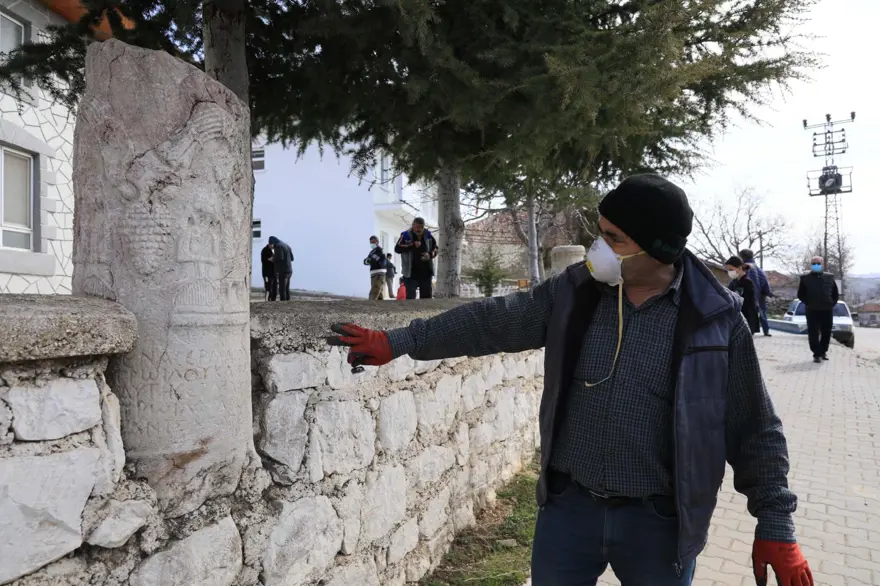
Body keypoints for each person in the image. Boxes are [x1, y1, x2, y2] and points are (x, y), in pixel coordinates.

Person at [328, 174, 813, 586]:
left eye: (615, 239)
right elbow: (493, 320)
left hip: (661, 524)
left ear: (659, 250)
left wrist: (775, 522)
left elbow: (755, 428)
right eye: (600, 233)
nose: (599, 248)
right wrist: (401, 341)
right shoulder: (577, 291)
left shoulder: (716, 321)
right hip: (569, 511)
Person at [797, 256, 839, 363]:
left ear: (822, 265)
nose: (816, 265)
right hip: (812, 309)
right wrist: (809, 303)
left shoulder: (829, 278)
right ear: (811, 265)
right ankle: (816, 352)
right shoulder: (805, 278)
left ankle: (823, 351)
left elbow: (835, 294)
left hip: (827, 309)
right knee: (813, 332)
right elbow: (800, 294)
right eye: (814, 263)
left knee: (826, 332)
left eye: (818, 263)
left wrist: (831, 304)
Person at [395, 217, 438, 299]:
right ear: (413, 226)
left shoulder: (428, 235)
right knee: (410, 299)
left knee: (426, 299)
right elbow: (397, 248)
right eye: (417, 227)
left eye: (421, 227)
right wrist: (412, 245)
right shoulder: (405, 235)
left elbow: (435, 248)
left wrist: (429, 255)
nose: (419, 229)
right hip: (410, 273)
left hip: (426, 272)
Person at [738, 249, 773, 336]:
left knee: (750, 312)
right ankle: (766, 331)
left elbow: (748, 282)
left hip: (751, 294)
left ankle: (750, 331)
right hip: (762, 294)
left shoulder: (746, 268)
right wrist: (768, 292)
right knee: (762, 312)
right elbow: (765, 281)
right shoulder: (759, 269)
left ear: (743, 257)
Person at [726, 256, 760, 334]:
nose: (729, 272)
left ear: (740, 268)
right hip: (737, 318)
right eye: (728, 269)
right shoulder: (733, 283)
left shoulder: (747, 282)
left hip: (746, 319)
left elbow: (748, 303)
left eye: (731, 269)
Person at [268, 236, 293, 301]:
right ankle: (288, 303)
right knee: (287, 288)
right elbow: (292, 258)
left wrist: (272, 259)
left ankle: (283, 304)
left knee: (282, 289)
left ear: (272, 243)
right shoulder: (286, 245)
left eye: (270, 244)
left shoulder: (278, 246)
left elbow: (279, 258)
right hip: (289, 269)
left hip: (283, 271)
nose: (270, 246)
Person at [364, 236, 386, 300]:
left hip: (379, 274)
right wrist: (368, 260)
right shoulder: (371, 252)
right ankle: (380, 309)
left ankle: (369, 307)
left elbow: (372, 261)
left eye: (373, 242)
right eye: (371, 242)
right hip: (373, 274)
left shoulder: (380, 251)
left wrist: (368, 260)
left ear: (377, 242)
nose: (372, 244)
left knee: (374, 293)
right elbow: (365, 261)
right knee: (379, 295)